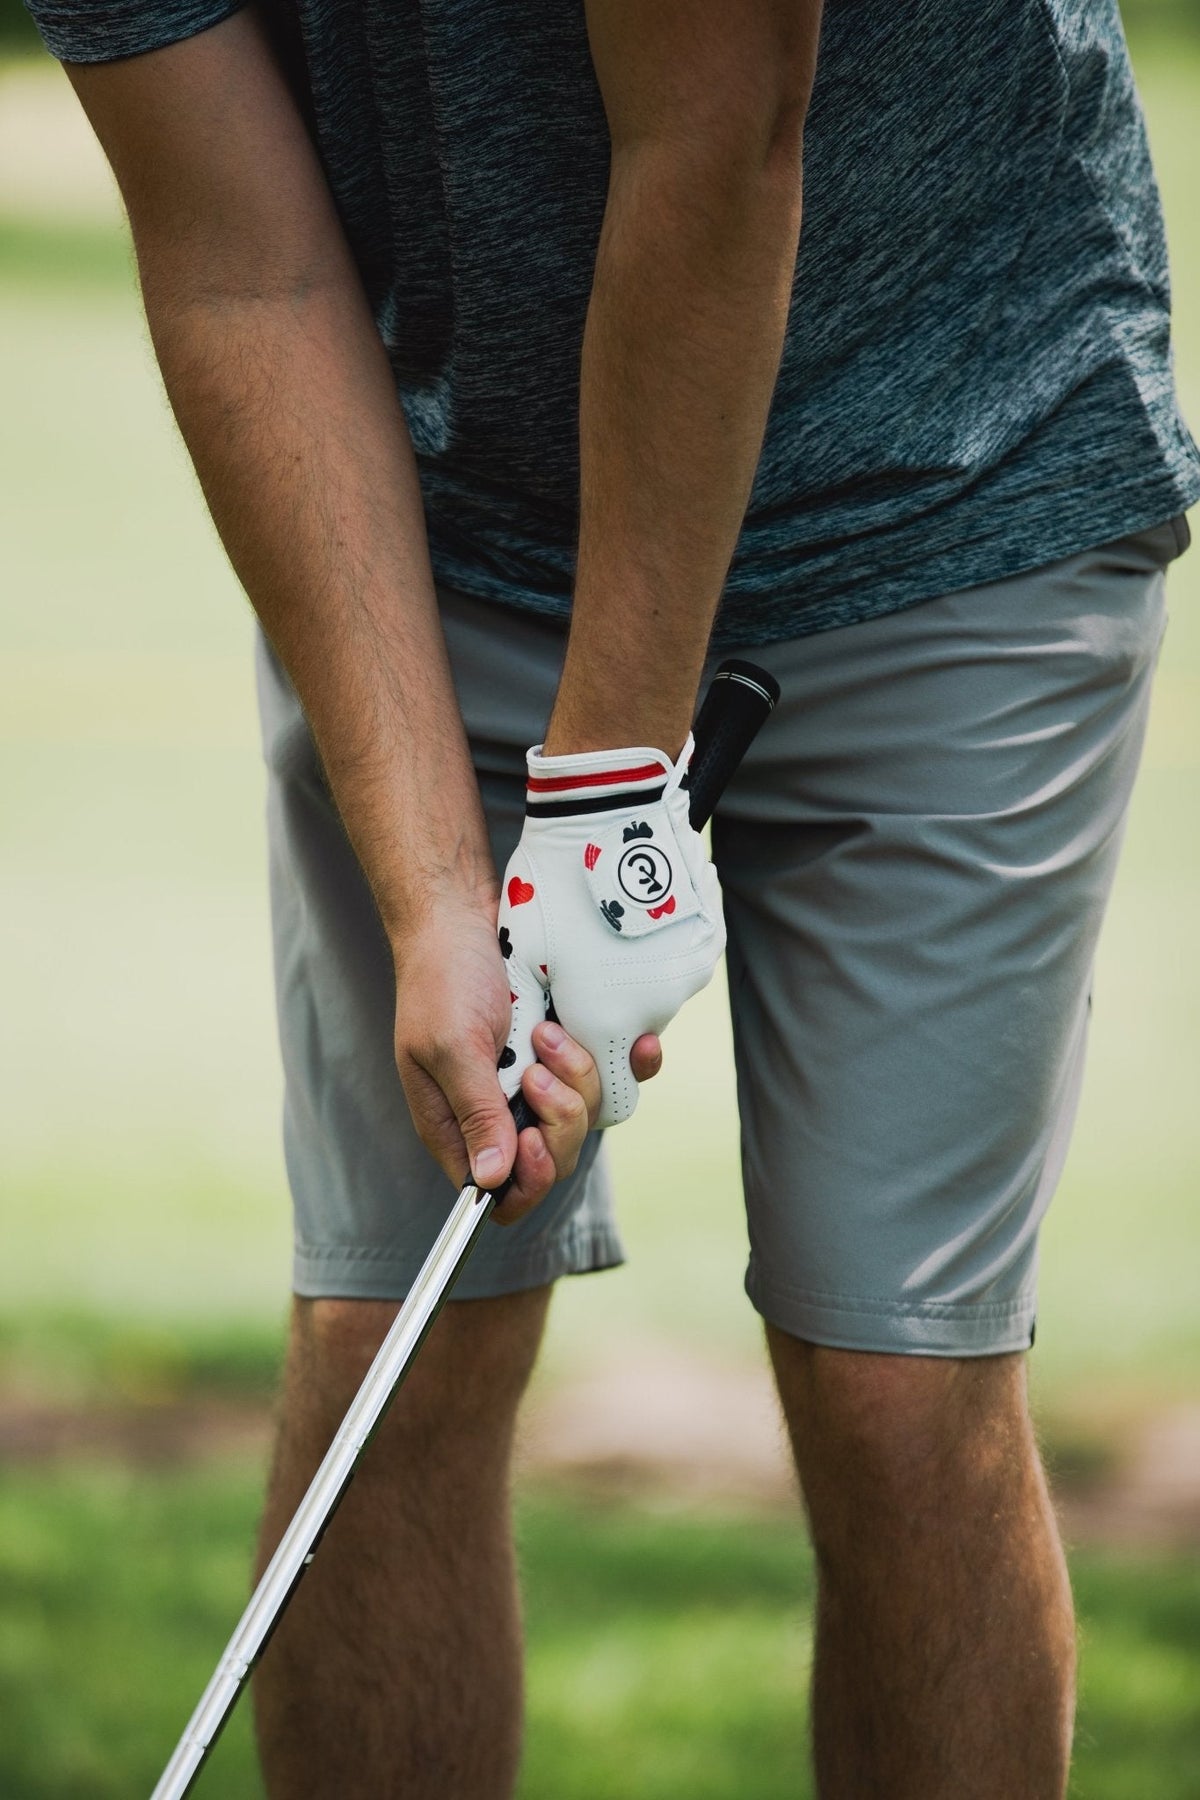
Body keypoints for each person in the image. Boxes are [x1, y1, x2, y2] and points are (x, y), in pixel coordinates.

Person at [27, 0, 1197, 1793]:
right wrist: (436, 893)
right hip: (459, 521)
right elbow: (241, 267)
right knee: (387, 1338)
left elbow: (721, 131)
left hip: (963, 446)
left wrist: (597, 809)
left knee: (900, 1379)